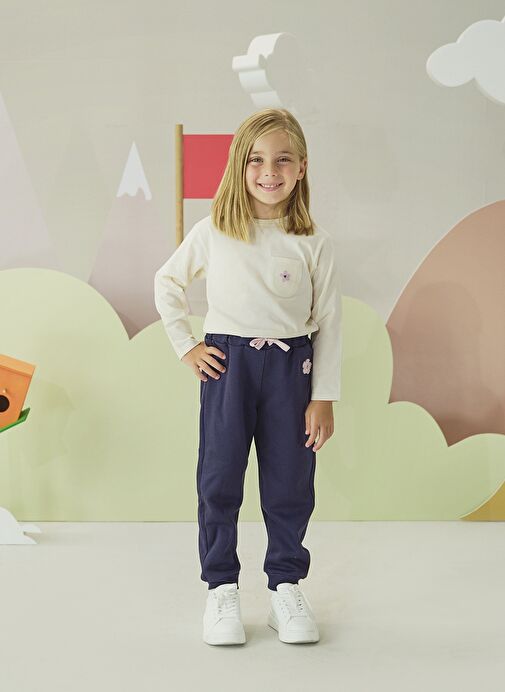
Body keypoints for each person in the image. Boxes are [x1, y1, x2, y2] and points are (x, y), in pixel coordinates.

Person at [154, 108, 342, 646]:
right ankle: (221, 589)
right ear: (239, 166)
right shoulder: (214, 230)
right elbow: (167, 283)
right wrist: (188, 346)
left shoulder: (313, 241)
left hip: (291, 371)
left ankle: (286, 587)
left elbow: (329, 322)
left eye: (283, 160)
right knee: (218, 480)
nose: (269, 171)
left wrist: (323, 396)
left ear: (301, 168)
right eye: (256, 160)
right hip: (228, 369)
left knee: (290, 483)